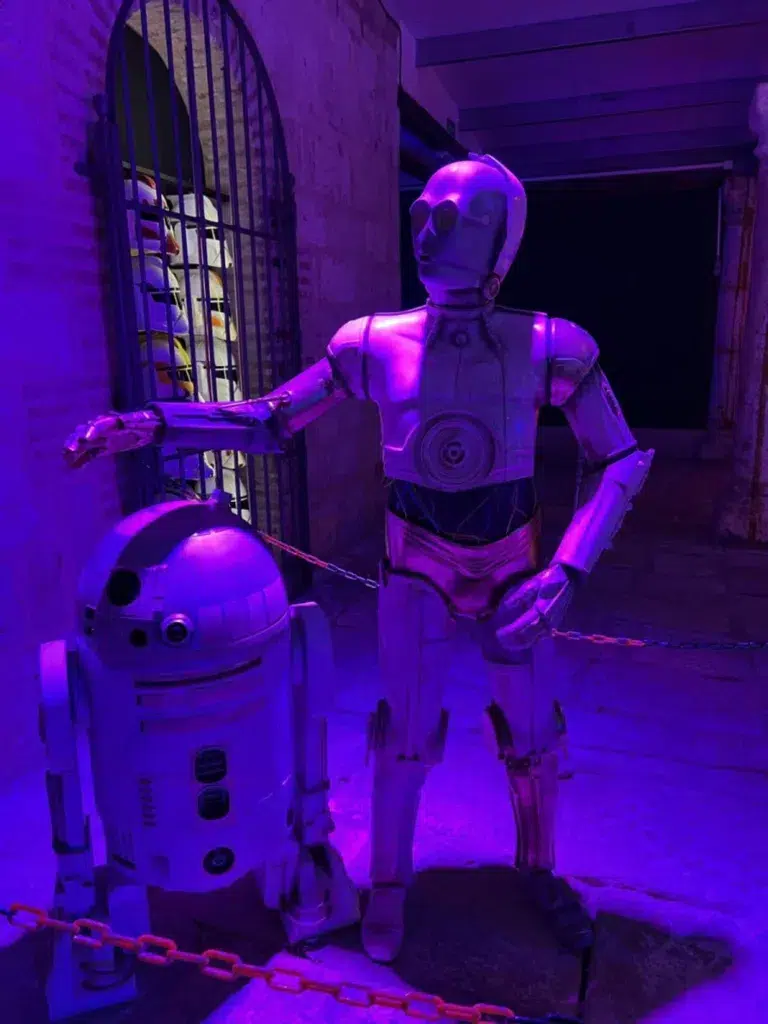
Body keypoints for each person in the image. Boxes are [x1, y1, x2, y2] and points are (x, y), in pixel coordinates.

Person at [64, 153, 652, 963]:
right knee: (402, 737)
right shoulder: (373, 343)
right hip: (416, 564)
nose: (427, 229)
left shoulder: (551, 345)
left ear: (502, 236)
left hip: (515, 567)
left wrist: (567, 572)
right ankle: (391, 883)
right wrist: (159, 422)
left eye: (454, 215)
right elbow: (270, 418)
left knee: (534, 737)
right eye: (423, 211)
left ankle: (540, 868)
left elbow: (621, 457)